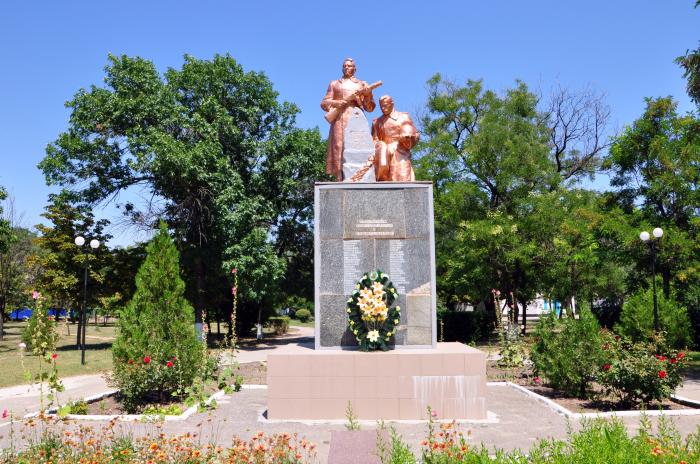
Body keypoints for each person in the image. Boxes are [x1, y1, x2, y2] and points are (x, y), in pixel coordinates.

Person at [321, 58, 376, 180]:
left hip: (357, 119)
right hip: (339, 118)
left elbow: (370, 107)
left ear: (355, 69)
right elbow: (324, 103)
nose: (347, 68)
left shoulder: (361, 84)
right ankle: (339, 178)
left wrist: (368, 94)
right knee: (339, 147)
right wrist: (337, 103)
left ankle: (359, 176)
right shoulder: (334, 83)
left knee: (358, 148)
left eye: (349, 66)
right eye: (344, 66)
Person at [371, 95, 419, 181]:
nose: (383, 108)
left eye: (385, 105)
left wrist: (408, 138)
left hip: (400, 152)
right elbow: (374, 140)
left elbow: (415, 134)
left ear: (392, 104)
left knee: (403, 179)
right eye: (381, 106)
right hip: (384, 154)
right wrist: (381, 147)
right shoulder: (377, 122)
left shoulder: (404, 117)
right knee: (383, 182)